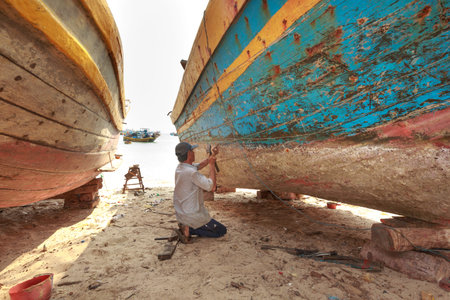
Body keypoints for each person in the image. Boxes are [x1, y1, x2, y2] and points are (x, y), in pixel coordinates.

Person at [173, 142, 227, 242]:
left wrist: (212, 155)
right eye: (192, 151)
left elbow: (200, 165)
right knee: (221, 231)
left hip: (182, 212)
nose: (194, 153)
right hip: (191, 214)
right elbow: (212, 187)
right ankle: (190, 230)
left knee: (216, 228)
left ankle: (187, 226)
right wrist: (211, 165)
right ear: (189, 154)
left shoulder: (180, 168)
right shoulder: (192, 173)